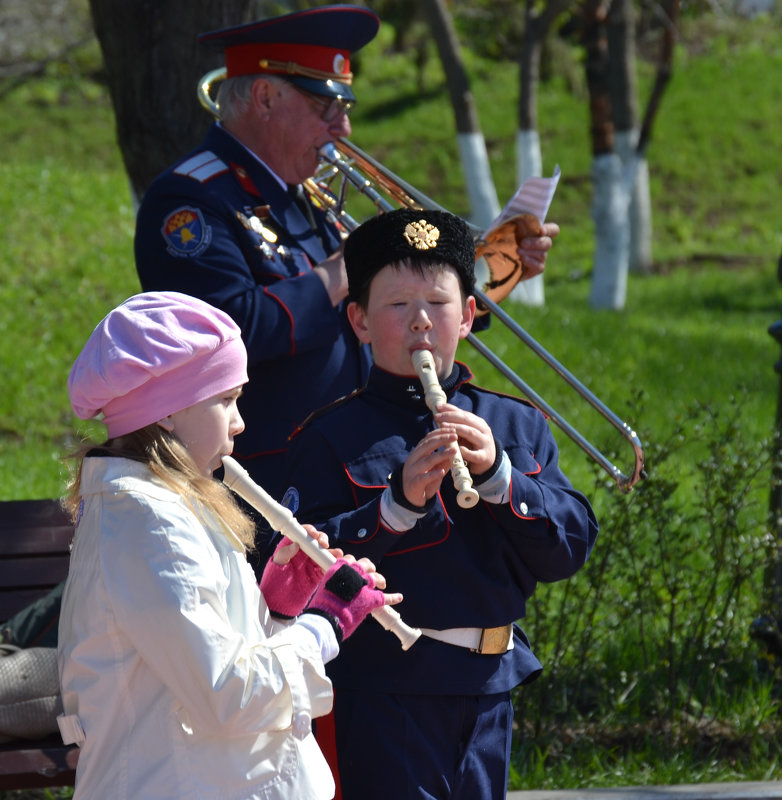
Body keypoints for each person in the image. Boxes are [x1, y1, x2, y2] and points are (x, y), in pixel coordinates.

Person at [134, 4, 560, 513]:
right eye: (327, 109)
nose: (345, 128)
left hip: (354, 463)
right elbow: (224, 334)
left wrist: (492, 270)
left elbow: (379, 318)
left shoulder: (306, 196)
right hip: (265, 475)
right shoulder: (190, 201)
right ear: (266, 97)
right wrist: (338, 272)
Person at [285, 209, 599, 800]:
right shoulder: (332, 437)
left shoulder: (515, 423)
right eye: (397, 305)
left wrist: (505, 478)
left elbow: (569, 549)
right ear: (360, 321)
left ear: (471, 315)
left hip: (490, 684)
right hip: (383, 688)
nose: (421, 323)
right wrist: (392, 510)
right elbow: (289, 570)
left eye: (439, 302)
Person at [56, 290, 401, 800]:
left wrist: (278, 610)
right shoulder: (148, 521)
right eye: (225, 399)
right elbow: (227, 695)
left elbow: (198, 656)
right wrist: (324, 623)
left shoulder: (159, 507)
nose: (240, 421)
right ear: (168, 413)